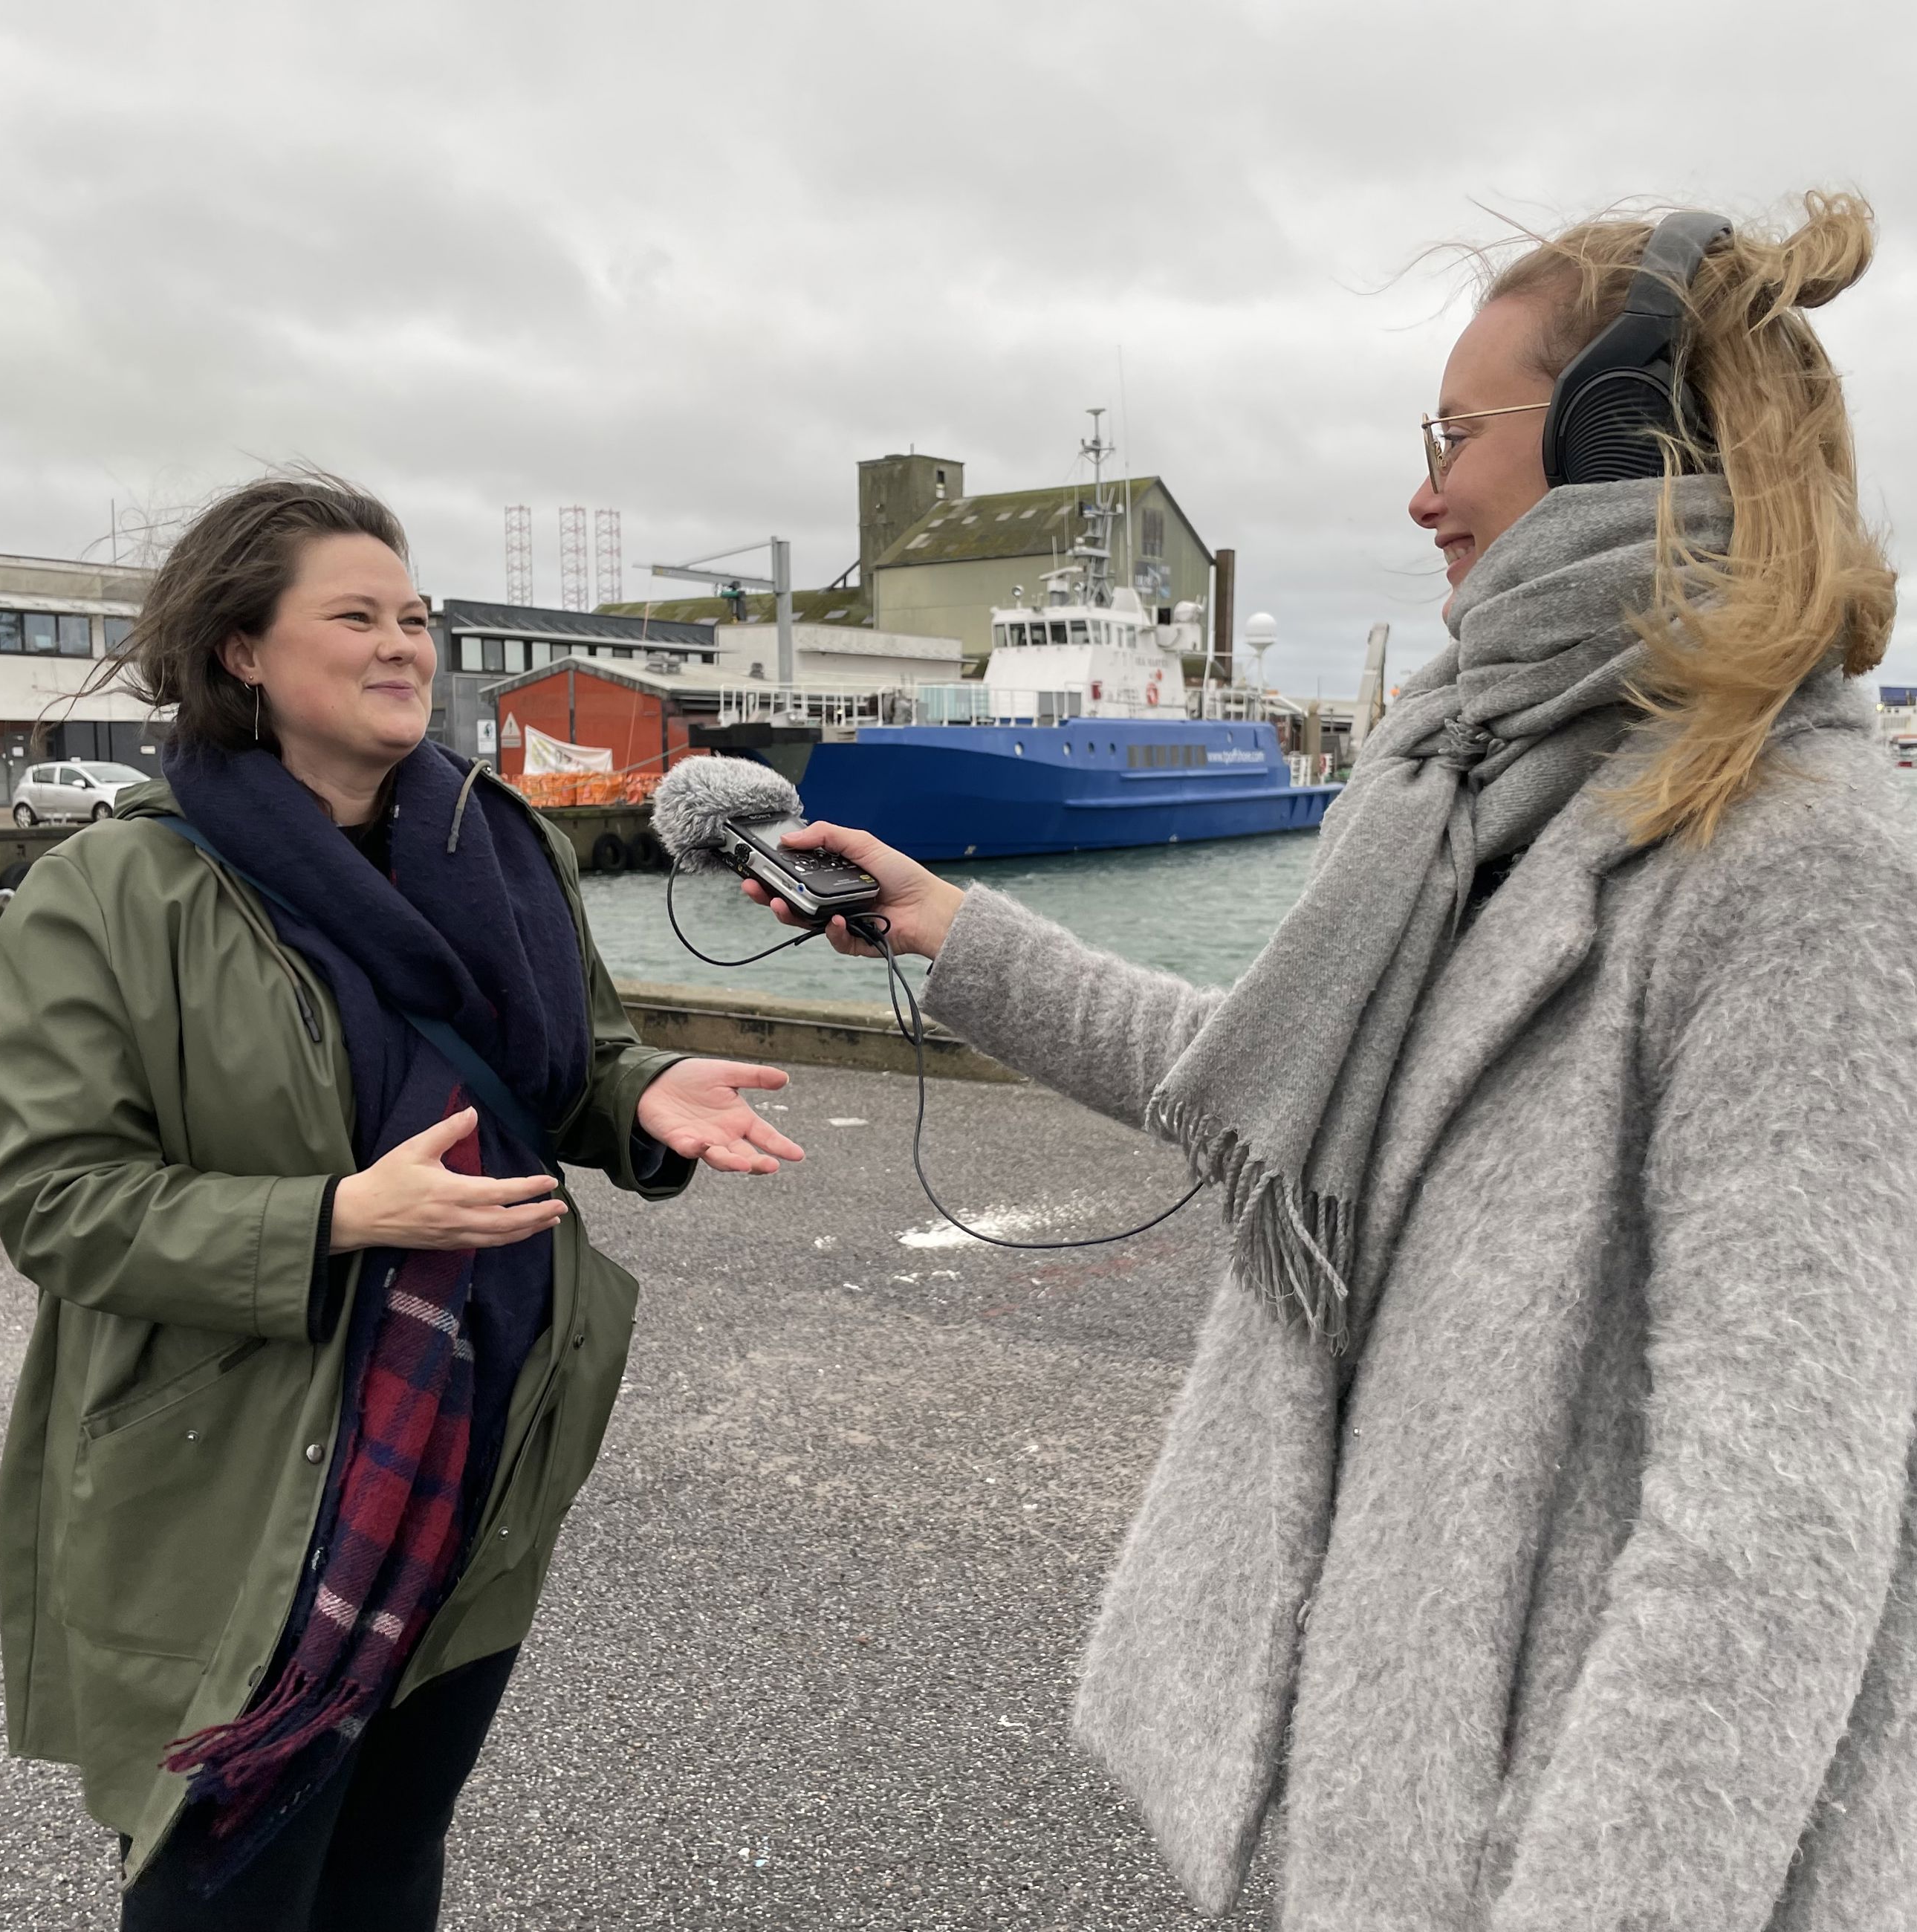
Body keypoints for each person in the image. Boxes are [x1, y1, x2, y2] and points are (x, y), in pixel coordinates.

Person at [747, 193, 1917, 1928]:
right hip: (1394, 1764)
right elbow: (1273, 1083)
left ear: (1622, 434)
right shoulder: (1461, 792)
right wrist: (961, 940)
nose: (1423, 489)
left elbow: (1773, 1519)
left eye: (1456, 434)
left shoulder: (1794, 854)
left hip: (1577, 1830)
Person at [0, 474, 804, 1929]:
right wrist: (333, 1221)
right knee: (224, 1884)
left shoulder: (502, 850)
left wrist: (641, 1093)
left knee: (384, 1871)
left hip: (474, 1440)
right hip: (235, 1477)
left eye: (415, 616)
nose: (401, 645)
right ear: (242, 650)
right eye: (354, 615)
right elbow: (58, 1200)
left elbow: (563, 1064)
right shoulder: (109, 895)